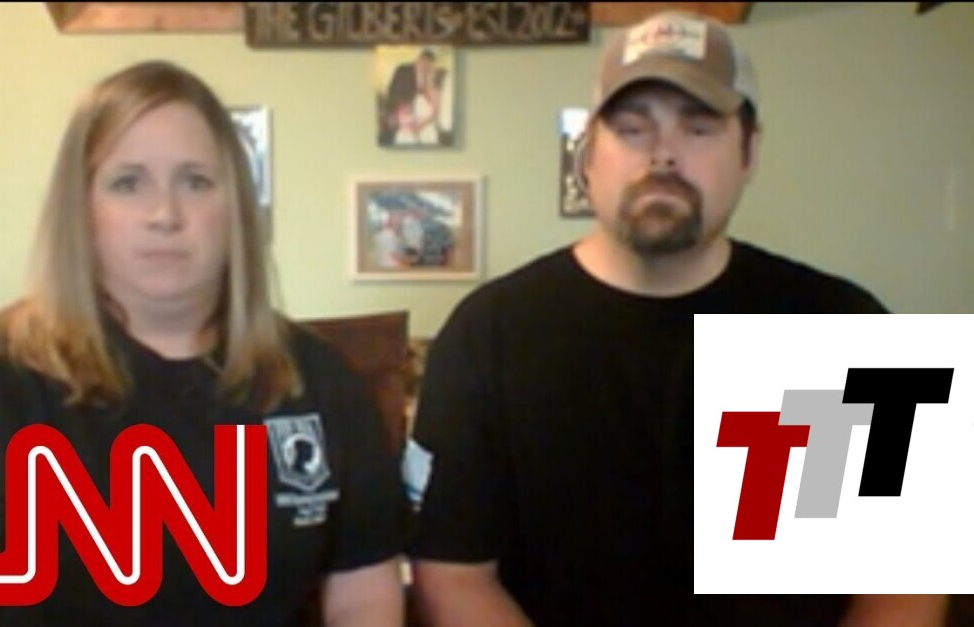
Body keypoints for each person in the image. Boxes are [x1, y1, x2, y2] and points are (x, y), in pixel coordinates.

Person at [405, 10, 948, 627]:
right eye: (633, 128)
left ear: (750, 151)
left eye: (698, 128)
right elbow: (453, 576)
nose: (663, 155)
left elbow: (906, 585)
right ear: (588, 155)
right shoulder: (486, 335)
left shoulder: (851, 330)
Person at [0, 60, 406, 626]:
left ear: (237, 209)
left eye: (196, 181)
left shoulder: (317, 379)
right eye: (127, 182)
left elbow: (364, 597)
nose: (165, 214)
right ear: (81, 209)